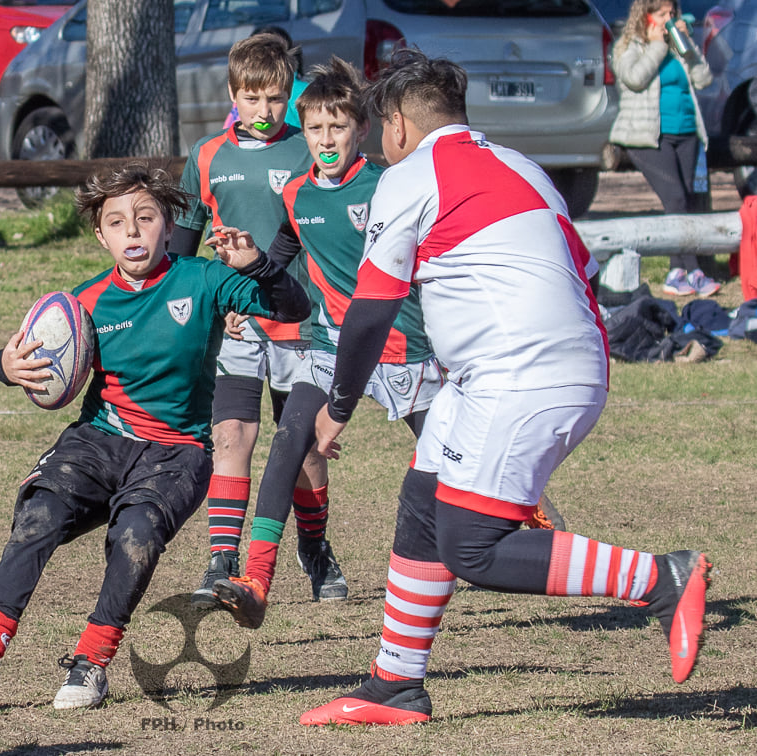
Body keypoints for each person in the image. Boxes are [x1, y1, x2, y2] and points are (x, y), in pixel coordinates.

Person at [300, 49, 712, 727]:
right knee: (424, 501)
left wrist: (337, 407)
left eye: (377, 130)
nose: (377, 143)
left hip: (521, 372)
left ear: (398, 123)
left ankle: (662, 580)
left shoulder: (411, 176)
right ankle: (395, 685)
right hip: (539, 365)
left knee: (473, 545)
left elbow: (369, 308)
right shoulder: (522, 165)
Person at [0, 165, 310, 711]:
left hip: (176, 452)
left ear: (168, 225)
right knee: (37, 516)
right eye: (117, 222)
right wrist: (5, 366)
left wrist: (256, 265)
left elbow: (293, 307)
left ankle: (91, 664)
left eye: (145, 218)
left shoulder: (205, 279)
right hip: (98, 438)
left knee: (135, 534)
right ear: (101, 235)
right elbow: (27, 352)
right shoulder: (84, 302)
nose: (133, 232)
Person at [208, 57, 441, 627]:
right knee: (290, 442)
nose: (326, 139)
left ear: (361, 130)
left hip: (402, 346)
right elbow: (281, 262)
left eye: (338, 127)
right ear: (303, 130)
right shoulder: (297, 195)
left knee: (456, 458)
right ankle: (256, 580)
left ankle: (526, 526)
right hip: (328, 344)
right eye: (315, 128)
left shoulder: (388, 185)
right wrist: (250, 274)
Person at [169, 33, 332, 608]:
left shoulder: (309, 150)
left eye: (276, 99)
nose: (265, 112)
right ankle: (221, 558)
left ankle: (314, 547)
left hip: (301, 320)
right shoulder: (207, 156)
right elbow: (185, 253)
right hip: (237, 324)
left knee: (305, 447)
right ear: (233, 95)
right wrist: (203, 313)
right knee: (231, 435)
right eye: (254, 98)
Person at [609, 0, 720, 297]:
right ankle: (692, 270)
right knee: (675, 199)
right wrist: (658, 46)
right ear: (646, 17)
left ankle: (678, 269)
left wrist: (690, 48)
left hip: (687, 133)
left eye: (673, 14)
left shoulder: (677, 46)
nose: (669, 19)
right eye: (662, 15)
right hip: (647, 137)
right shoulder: (629, 45)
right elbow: (633, 79)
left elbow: (704, 79)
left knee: (689, 201)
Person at [223, 26, 309, 131]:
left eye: (274, 99)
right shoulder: (212, 145)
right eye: (252, 99)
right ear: (233, 92)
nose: (264, 113)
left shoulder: (305, 93)